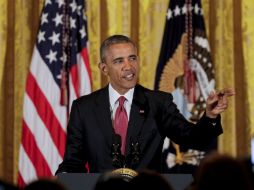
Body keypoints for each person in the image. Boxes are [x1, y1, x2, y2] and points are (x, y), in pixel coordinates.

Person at [55, 34, 235, 174]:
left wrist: (210, 116)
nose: (128, 66)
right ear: (104, 68)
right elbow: (73, 162)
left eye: (132, 58)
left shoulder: (158, 103)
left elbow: (194, 138)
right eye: (119, 61)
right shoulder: (83, 108)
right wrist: (64, 179)